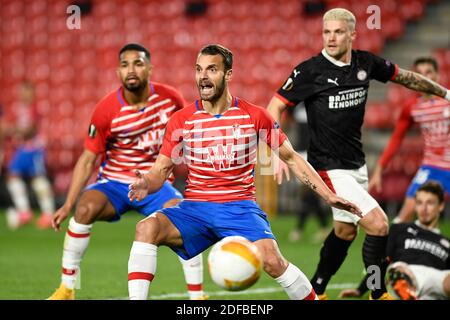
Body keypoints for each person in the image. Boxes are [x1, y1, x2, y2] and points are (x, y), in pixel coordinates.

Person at [126, 44, 362, 300]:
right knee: (146, 228)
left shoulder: (255, 116)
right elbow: (160, 170)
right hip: (195, 208)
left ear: (228, 75)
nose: (203, 76)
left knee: (273, 261)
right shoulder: (181, 120)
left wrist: (328, 196)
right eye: (199, 69)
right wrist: (146, 183)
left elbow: (291, 158)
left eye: (212, 69)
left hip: (239, 207)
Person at [266, 8, 450, 300]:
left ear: (352, 34)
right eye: (326, 32)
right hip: (327, 168)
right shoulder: (309, 70)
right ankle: (379, 294)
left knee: (344, 232)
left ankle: (318, 290)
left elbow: (407, 78)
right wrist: (277, 152)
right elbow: (274, 108)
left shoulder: (366, 62)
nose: (331, 38)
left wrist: (444, 92)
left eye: (338, 32)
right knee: (378, 225)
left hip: (356, 165)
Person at [47, 43, 205, 300]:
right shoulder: (106, 110)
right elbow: (88, 159)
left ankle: (198, 297)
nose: (131, 69)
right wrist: (68, 204)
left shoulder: (170, 98)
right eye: (125, 64)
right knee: (84, 209)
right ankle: (67, 289)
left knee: (184, 218)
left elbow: (190, 133)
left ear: (150, 69)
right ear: (118, 72)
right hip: (115, 183)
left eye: (138, 63)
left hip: (154, 183)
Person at [369, 57, 450, 223]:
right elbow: (396, 139)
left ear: (437, 75)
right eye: (419, 73)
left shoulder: (447, 101)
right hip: (432, 166)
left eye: (429, 72)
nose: (424, 77)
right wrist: (379, 168)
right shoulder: (412, 107)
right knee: (404, 216)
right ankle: (394, 248)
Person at [339, 181, 450, 300]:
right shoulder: (400, 229)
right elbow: (381, 262)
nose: (424, 208)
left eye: (430, 203)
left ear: (441, 206)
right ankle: (408, 293)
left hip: (438, 280)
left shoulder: (447, 243)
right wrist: (360, 289)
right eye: (419, 203)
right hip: (407, 274)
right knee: (398, 270)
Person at [4, 80, 55, 230]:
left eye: (26, 91)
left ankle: (47, 213)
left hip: (33, 148)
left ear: (31, 93)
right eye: (21, 91)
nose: (23, 94)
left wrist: (13, 130)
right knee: (13, 175)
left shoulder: (34, 109)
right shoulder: (22, 109)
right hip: (23, 149)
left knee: (37, 178)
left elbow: (31, 130)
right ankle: (25, 211)